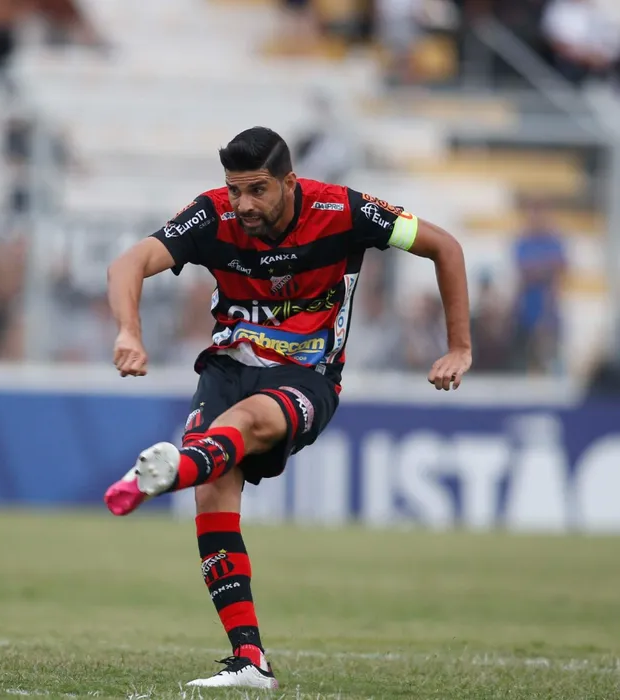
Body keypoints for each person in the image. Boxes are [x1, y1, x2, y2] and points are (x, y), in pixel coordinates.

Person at [103, 127, 472, 689]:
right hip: (229, 364)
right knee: (213, 491)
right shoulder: (211, 216)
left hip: (309, 374)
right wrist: (129, 331)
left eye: (257, 190)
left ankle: (173, 468)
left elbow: (445, 246)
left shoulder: (345, 210)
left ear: (288, 182)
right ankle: (250, 661)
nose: (243, 205)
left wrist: (459, 347)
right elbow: (128, 264)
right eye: (234, 190)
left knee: (246, 424)